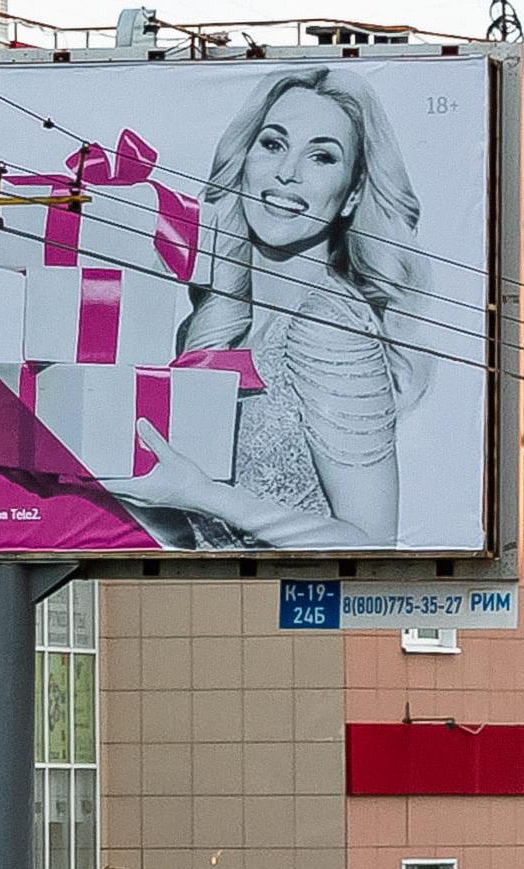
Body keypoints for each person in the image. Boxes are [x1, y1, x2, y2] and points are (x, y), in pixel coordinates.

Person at [107, 67, 429, 550]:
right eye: (274, 144)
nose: (288, 172)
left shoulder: (329, 326)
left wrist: (202, 494)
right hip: (213, 601)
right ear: (245, 160)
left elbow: (369, 543)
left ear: (353, 194)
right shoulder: (215, 323)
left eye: (321, 156)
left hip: (306, 613)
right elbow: (198, 529)